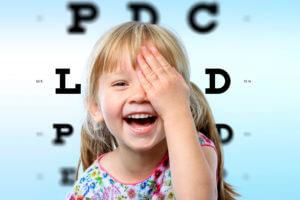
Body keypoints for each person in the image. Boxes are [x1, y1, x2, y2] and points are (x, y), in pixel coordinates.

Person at [64, 21, 241, 200]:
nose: (140, 95)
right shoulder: (92, 185)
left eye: (155, 82)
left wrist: (176, 111)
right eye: (121, 84)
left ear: (180, 96)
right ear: (95, 107)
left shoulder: (197, 150)